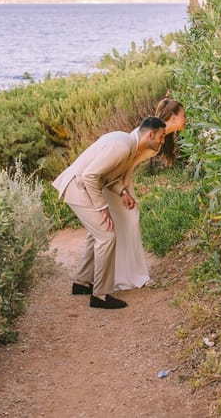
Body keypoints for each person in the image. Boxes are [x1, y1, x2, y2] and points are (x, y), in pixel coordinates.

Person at [51, 116, 168, 309]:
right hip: (78, 188)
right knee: (106, 236)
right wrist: (102, 207)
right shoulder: (123, 147)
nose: (163, 141)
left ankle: (82, 283)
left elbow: (108, 176)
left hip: (80, 187)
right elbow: (90, 176)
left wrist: (123, 192)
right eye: (162, 137)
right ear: (150, 134)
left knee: (95, 234)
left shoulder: (127, 144)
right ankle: (100, 295)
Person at [112, 96, 186, 290]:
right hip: (116, 182)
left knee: (127, 222)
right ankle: (130, 277)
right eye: (183, 115)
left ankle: (128, 274)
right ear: (172, 117)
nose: (186, 119)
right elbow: (129, 162)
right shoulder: (153, 134)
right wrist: (124, 190)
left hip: (121, 180)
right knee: (129, 220)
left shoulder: (162, 134)